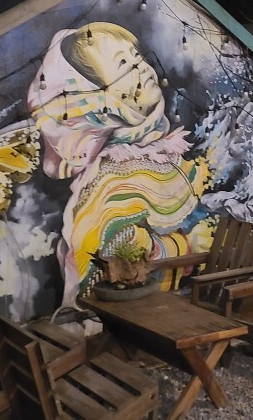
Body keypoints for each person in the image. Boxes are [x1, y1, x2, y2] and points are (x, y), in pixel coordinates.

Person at [28, 22, 210, 304]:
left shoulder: (157, 150)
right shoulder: (112, 179)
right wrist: (183, 243)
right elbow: (110, 265)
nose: (141, 67)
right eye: (123, 64)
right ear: (99, 97)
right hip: (143, 307)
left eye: (136, 56)